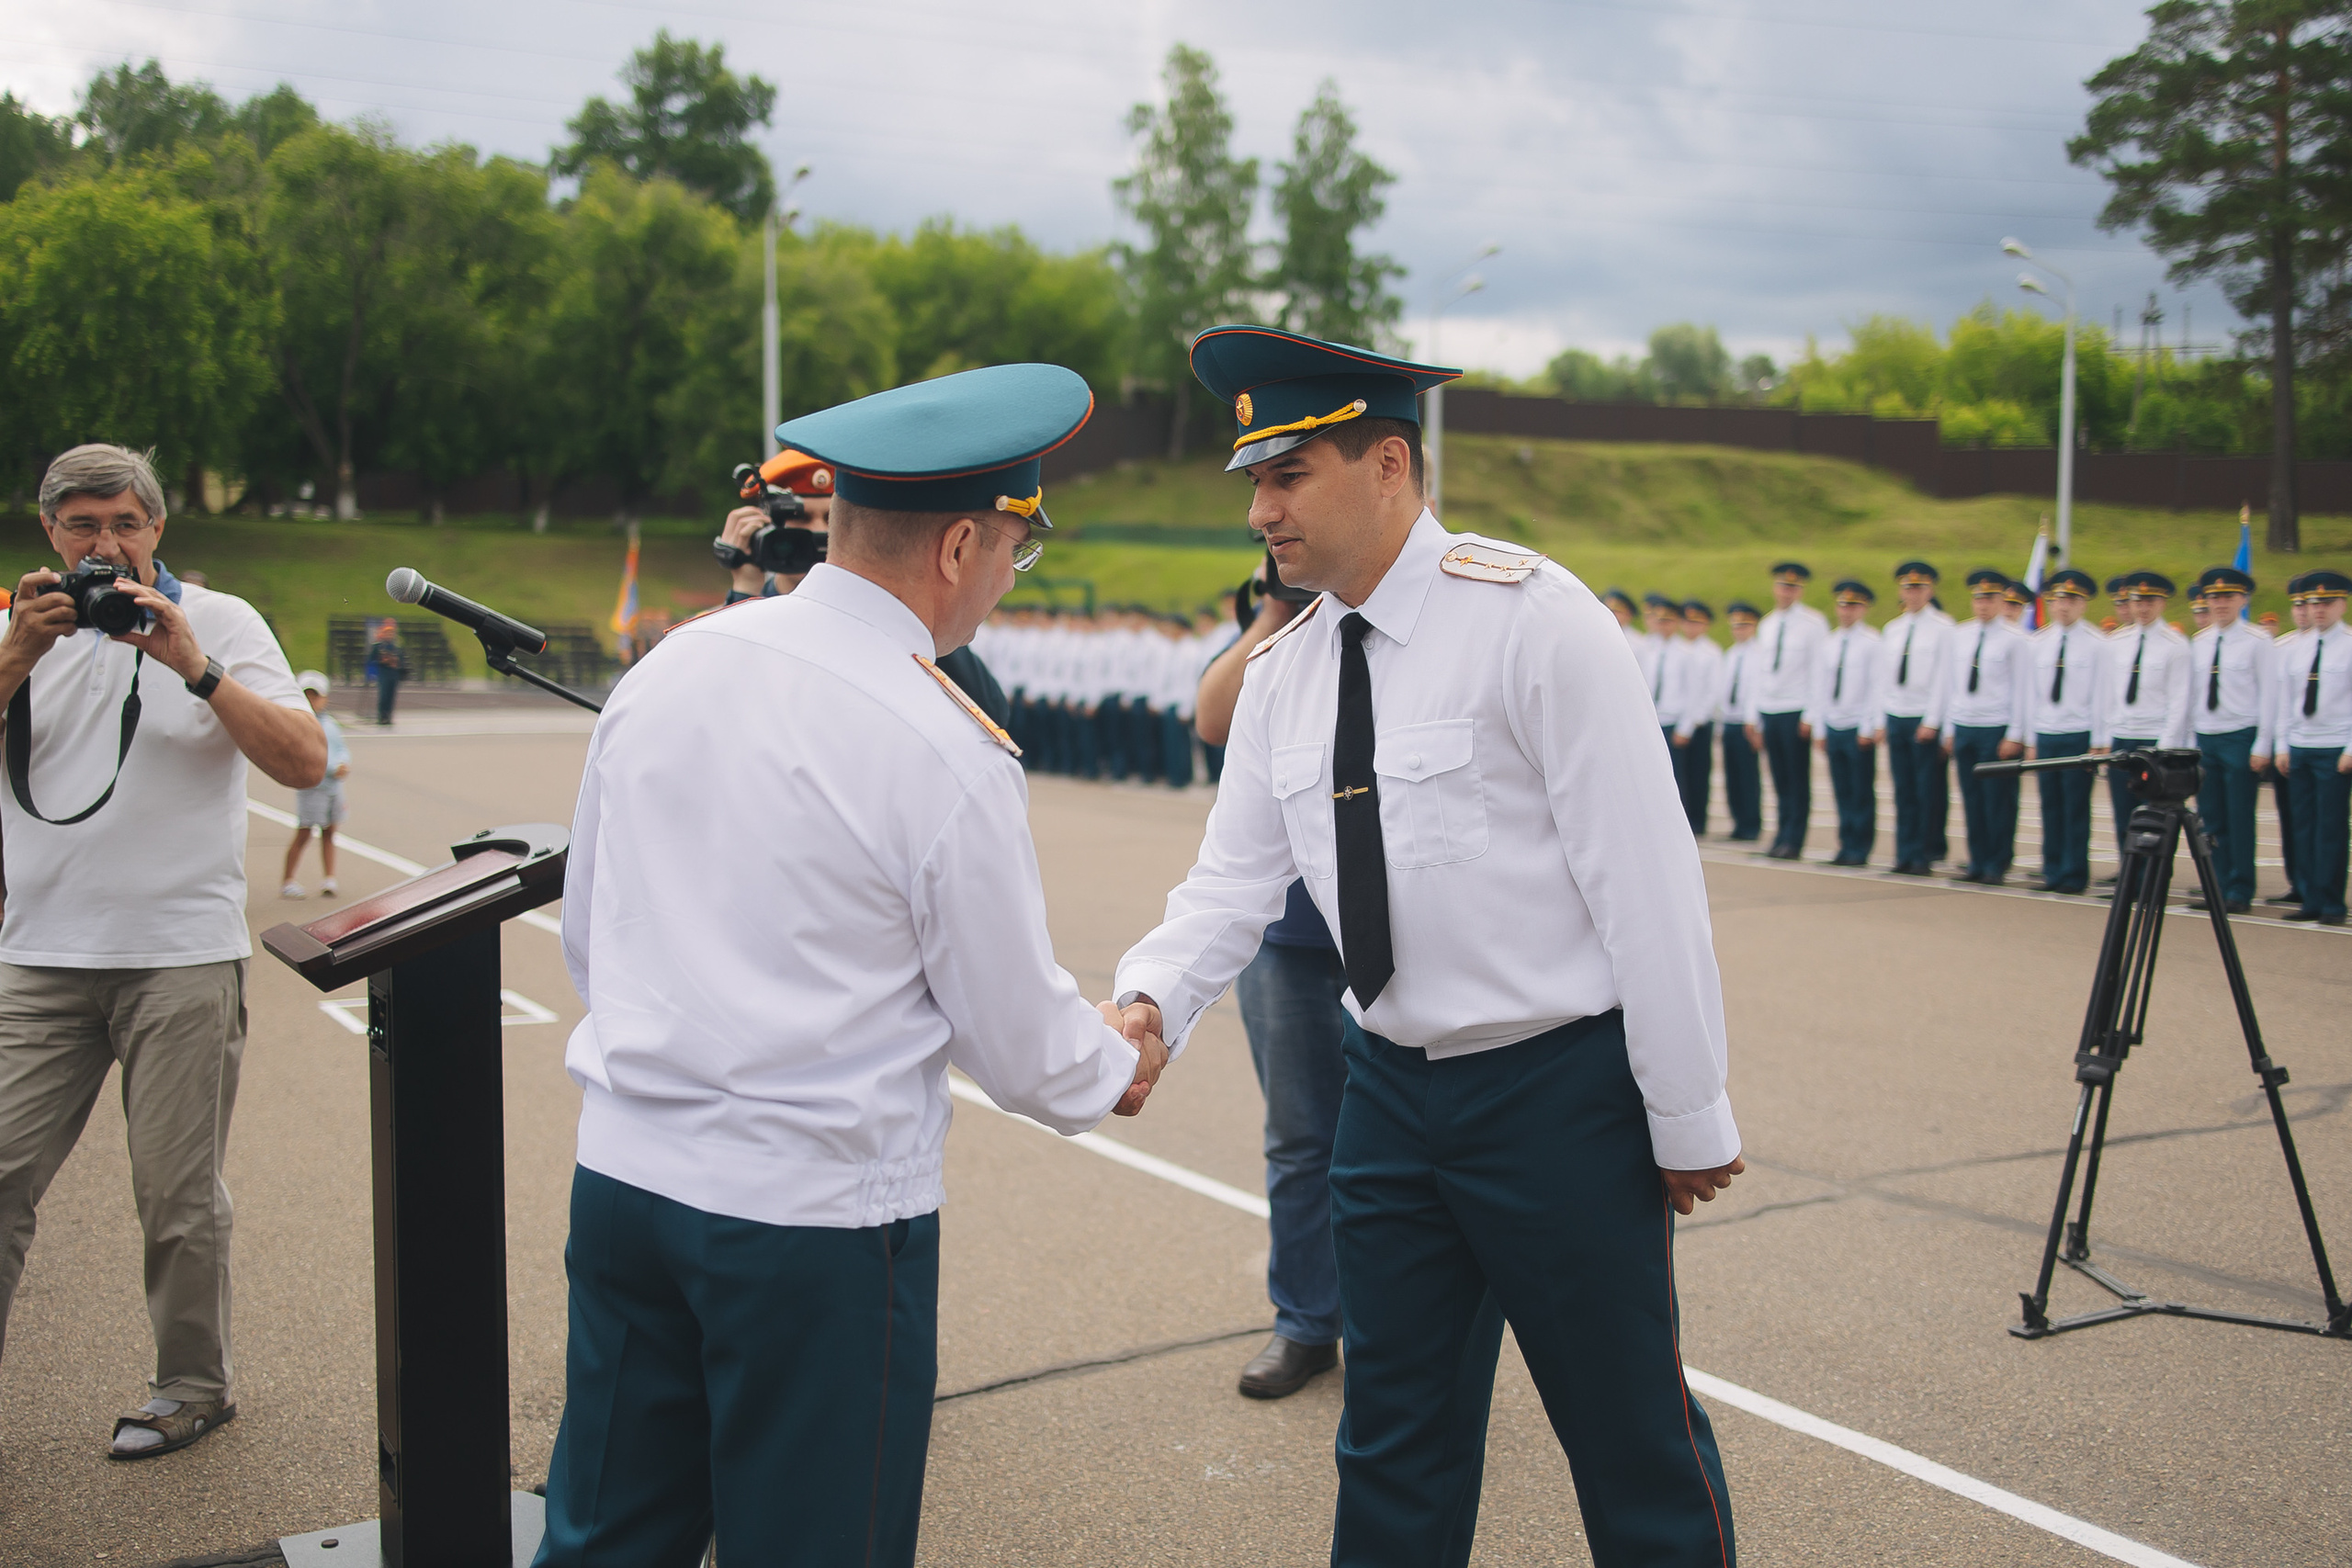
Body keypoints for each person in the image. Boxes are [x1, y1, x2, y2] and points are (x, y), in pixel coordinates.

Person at [1112, 325, 1742, 1568]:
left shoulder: (1536, 622)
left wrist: (1687, 1107)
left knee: (1629, 1438)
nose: (1260, 509)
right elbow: (1230, 880)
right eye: (1253, 480)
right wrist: (1148, 1000)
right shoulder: (1286, 668)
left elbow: (1647, 883)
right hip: (1388, 1093)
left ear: (1389, 462)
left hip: (1556, 1093)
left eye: (1286, 475)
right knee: (1393, 1440)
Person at [538, 365, 1159, 1567]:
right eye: (1011, 554)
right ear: (964, 542)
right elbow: (1025, 1046)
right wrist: (1113, 1055)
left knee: (608, 1534)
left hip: (626, 1180)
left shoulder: (671, 667)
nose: (1001, 581)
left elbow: (588, 930)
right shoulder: (939, 739)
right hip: (811, 1226)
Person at [0, 444, 325, 1460]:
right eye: (83, 526)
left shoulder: (220, 621)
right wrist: (18, 656)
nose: (106, 546)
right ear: (49, 533)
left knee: (176, 1195)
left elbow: (304, 759)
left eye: (123, 524)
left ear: (157, 528)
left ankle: (192, 1385)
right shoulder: (18, 627)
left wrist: (193, 664)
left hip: (180, 954)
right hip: (39, 953)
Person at [1195, 542, 1352, 1398]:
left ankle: (1391, 1324)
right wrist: (1273, 607)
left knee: (1399, 1140)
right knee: (1300, 1140)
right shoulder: (1271, 641)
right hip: (1286, 941)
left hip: (1389, 936)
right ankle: (1305, 1322)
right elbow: (1211, 718)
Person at [717, 450, 1011, 728]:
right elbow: (726, 703)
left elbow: (988, 709)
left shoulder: (880, 614)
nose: (819, 533)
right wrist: (744, 588)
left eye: (830, 520)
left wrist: (910, 599)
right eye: (801, 518)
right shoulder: (752, 609)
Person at [2180, 566, 2272, 915]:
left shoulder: (2257, 641)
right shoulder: (2200, 642)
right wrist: (2189, 743)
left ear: (2243, 600)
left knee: (2239, 816)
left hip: (2240, 735)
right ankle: (2216, 885)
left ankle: (2240, 888)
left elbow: (2269, 696)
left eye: (2228, 597)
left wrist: (2263, 743)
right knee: (2210, 818)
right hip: (2207, 737)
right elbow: (2193, 698)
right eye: (2214, 597)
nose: (2220, 604)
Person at [2091, 572, 2190, 885]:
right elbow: (2105, 695)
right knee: (2125, 812)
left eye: (2150, 601)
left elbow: (2179, 700)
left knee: (2156, 814)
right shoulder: (2116, 642)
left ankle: (2154, 877)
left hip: (2154, 739)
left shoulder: (2176, 645)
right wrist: (2102, 739)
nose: (2143, 608)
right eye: (2138, 601)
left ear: (2162, 603)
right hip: (2123, 734)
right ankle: (2129, 875)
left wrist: (2166, 747)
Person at [2274, 569, 2352, 925]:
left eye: (2327, 603)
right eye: (2313, 603)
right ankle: (2309, 897)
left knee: (2331, 827)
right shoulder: (2296, 646)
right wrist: (2282, 744)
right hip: (2300, 745)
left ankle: (2332, 902)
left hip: (2335, 746)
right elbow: (2286, 701)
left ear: (2342, 604)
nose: (2319, 609)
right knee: (2302, 825)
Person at [1944, 570, 2031, 886]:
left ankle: (1997, 861)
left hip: (1997, 727)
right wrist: (1948, 728)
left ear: (2001, 600)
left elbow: (2023, 689)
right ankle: (1977, 859)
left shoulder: (2015, 639)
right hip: (1965, 723)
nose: (1983, 604)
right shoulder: (1960, 634)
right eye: (1979, 598)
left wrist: (2016, 733)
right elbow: (1950, 685)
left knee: (1999, 799)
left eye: (1991, 598)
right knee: (1971, 798)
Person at [2024, 569, 2105, 895]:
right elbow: (2031, 694)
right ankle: (2052, 868)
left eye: (2071, 600)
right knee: (2050, 805)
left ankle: (2073, 873)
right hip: (2047, 732)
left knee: (2075, 807)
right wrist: (2030, 739)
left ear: (2083, 604)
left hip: (2078, 733)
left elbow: (2102, 695)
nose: (2063, 607)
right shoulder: (2039, 642)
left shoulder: (2099, 644)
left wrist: (2100, 741)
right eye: (2058, 600)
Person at [1876, 561, 1952, 876]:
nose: (1913, 593)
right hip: (1898, 715)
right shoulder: (1893, 629)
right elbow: (1884, 679)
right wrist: (1881, 718)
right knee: (1903, 790)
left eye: (1919, 588)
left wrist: (1933, 721)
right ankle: (1904, 853)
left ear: (1930, 590)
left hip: (1924, 718)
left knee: (1927, 791)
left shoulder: (1944, 627)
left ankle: (1923, 853)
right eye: (1907, 587)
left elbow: (1943, 678)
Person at [1747, 561, 1825, 860]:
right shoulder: (1768, 624)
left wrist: (1810, 715)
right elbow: (1760, 672)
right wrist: (1754, 716)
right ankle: (1780, 835)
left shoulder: (1813, 624)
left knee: (1796, 778)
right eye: (1782, 586)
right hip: (1771, 708)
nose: (1786, 592)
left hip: (1795, 708)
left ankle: (1794, 838)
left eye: (1793, 587)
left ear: (1800, 590)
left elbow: (1818, 672)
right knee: (1777, 777)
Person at [1814, 580, 1883, 866]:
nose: (1846, 611)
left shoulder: (1872, 643)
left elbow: (1876, 687)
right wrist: (1819, 727)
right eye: (1842, 605)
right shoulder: (1829, 643)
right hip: (1834, 724)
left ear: (1864, 609)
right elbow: (1820, 687)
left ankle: (1860, 847)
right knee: (1841, 790)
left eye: (1853, 606)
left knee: (1860, 790)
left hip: (1857, 726)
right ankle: (1845, 844)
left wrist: (1870, 726)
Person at [280, 670, 351, 898]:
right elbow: (306, 754)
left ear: (325, 698)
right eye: (307, 695)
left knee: (330, 832)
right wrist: (332, 768)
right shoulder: (298, 724)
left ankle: (329, 878)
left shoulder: (331, 724)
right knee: (304, 833)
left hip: (333, 788)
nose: (312, 700)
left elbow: (340, 749)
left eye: (316, 696)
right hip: (313, 788)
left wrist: (344, 764)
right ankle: (288, 880)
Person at [2263, 578, 2312, 907]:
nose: (2303, 612)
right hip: (2289, 745)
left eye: (2308, 605)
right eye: (2297, 605)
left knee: (2316, 823)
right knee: (2290, 818)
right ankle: (2297, 882)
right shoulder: (2280, 648)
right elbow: (2273, 701)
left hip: (2322, 742)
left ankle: (2317, 888)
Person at [1670, 601, 1724, 834]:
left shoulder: (1711, 652)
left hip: (1700, 722)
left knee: (1699, 774)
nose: (1690, 627)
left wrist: (1693, 722)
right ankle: (1684, 818)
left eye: (1696, 622)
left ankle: (1699, 820)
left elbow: (1712, 691)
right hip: (1679, 719)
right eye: (1687, 621)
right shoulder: (1677, 649)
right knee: (1679, 774)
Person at [1719, 601, 1765, 840]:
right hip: (1729, 720)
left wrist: (1753, 721)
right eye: (1736, 626)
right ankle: (1738, 822)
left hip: (1747, 723)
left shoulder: (1759, 654)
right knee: (1733, 776)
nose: (1739, 631)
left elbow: (1756, 690)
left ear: (1754, 626)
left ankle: (1751, 823)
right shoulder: (1731, 654)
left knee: (1748, 776)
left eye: (1744, 626)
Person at [368, 617, 405, 725]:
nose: (390, 635)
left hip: (393, 673)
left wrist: (395, 662)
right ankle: (381, 716)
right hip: (383, 672)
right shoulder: (378, 646)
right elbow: (371, 658)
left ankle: (388, 716)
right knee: (383, 696)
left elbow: (401, 660)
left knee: (391, 696)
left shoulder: (396, 646)